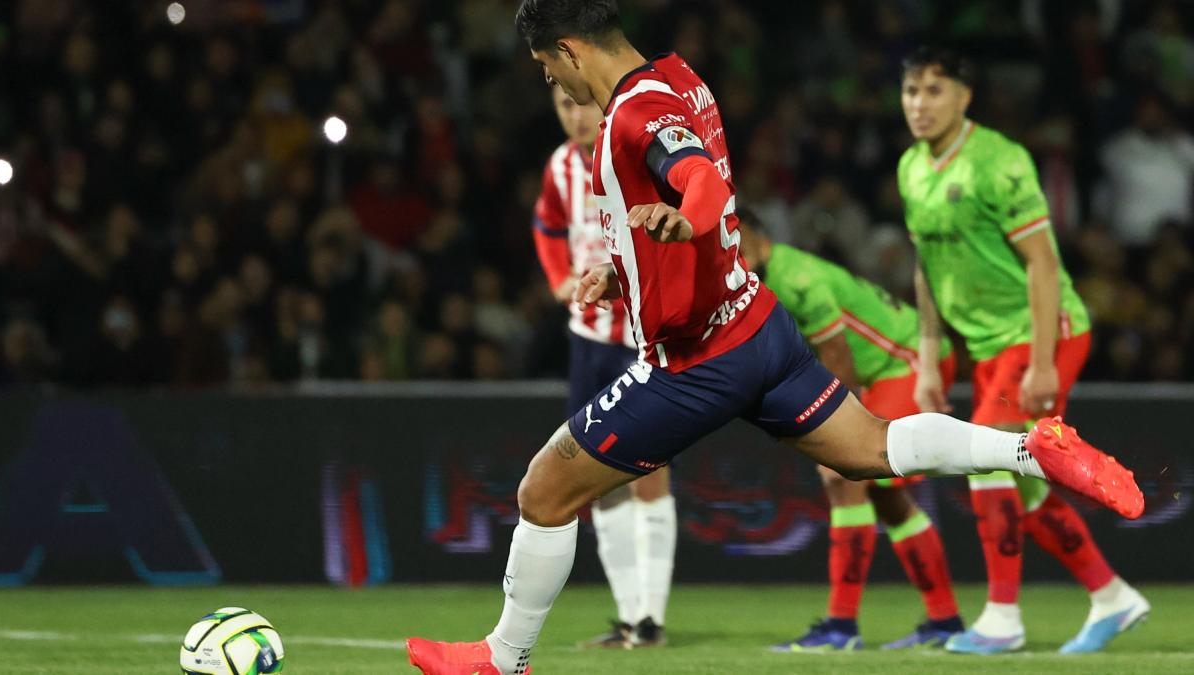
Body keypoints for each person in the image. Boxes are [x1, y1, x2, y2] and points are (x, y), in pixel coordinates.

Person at [406, 6, 1142, 674]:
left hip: (695, 360)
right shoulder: (682, 79)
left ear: (568, 51)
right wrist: (626, 275)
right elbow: (693, 187)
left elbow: (696, 179)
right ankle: (1028, 448)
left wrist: (687, 218)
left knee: (544, 489)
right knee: (874, 447)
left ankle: (503, 658)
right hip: (759, 326)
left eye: (548, 68)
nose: (553, 82)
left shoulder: (633, 114)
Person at [897, 45, 1150, 655]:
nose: (919, 105)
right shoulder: (910, 168)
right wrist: (929, 359)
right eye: (910, 92)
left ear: (965, 96)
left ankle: (1002, 619)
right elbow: (926, 270)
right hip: (988, 346)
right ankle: (1112, 597)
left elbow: (1042, 263)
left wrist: (1041, 360)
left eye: (934, 91)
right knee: (1025, 478)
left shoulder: (1000, 162)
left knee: (986, 456)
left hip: (1042, 332)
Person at [735, 207, 964, 652]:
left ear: (755, 235)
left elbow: (836, 353)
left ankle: (841, 626)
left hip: (907, 359)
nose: (731, 251)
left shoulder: (795, 278)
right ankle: (945, 620)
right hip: (886, 368)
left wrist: (840, 433)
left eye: (734, 236)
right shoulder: (764, 280)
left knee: (843, 477)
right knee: (886, 497)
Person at [533, 83, 674, 648]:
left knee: (650, 472)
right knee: (597, 482)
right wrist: (557, 277)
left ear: (603, 105)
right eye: (563, 106)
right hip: (588, 340)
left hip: (644, 339)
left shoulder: (633, 156)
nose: (574, 116)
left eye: (581, 104)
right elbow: (547, 225)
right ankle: (629, 616)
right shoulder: (562, 166)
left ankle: (652, 619)